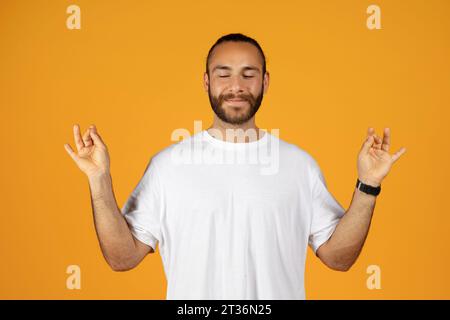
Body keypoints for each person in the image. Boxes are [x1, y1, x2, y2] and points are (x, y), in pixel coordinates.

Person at [64, 33, 406, 299]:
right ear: (206, 82)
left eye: (249, 74)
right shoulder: (168, 166)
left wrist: (368, 185)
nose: (236, 87)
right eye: (223, 74)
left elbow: (338, 258)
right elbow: (122, 258)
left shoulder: (299, 166)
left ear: (265, 82)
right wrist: (99, 179)